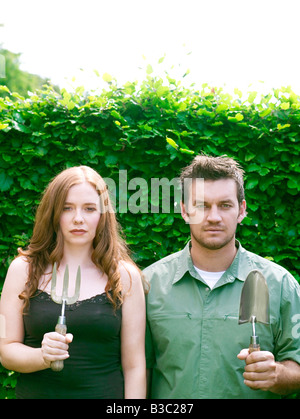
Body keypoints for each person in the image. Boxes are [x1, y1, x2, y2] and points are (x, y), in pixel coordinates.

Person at [144, 154, 300, 399]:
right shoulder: (150, 284)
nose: (213, 217)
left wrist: (278, 375)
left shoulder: (279, 284)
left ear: (242, 210)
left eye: (225, 205)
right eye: (201, 205)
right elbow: (135, 370)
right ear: (185, 211)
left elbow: (296, 365)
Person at [0, 165, 146, 399]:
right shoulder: (23, 270)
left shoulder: (125, 276)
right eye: (67, 208)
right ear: (53, 213)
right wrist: (43, 356)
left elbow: (134, 366)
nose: (78, 219)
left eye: (89, 209)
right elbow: (6, 350)